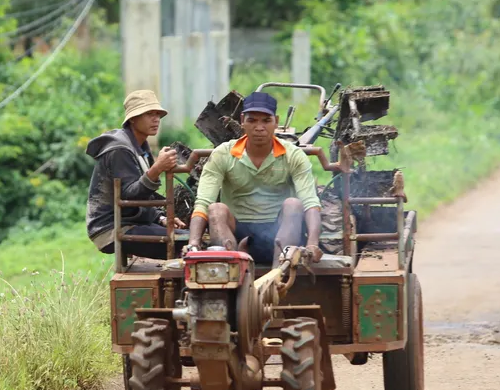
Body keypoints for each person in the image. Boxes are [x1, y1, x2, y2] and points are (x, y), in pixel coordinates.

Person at [184, 91, 323, 264]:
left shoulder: (293, 155)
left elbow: (310, 202)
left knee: (294, 204)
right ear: (242, 121)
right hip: (235, 234)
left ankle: (279, 274)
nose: (259, 127)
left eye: (266, 121)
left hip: (281, 234)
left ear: (276, 122)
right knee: (215, 209)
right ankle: (230, 272)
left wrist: (312, 244)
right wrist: (193, 243)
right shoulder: (223, 154)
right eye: (252, 120)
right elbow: (203, 203)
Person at [85, 89, 186, 259]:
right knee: (186, 244)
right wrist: (157, 168)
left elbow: (141, 198)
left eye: (158, 115)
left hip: (129, 221)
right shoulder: (120, 150)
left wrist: (161, 217)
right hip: (111, 228)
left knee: (187, 236)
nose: (156, 119)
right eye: (149, 114)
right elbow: (129, 198)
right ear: (132, 118)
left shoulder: (140, 148)